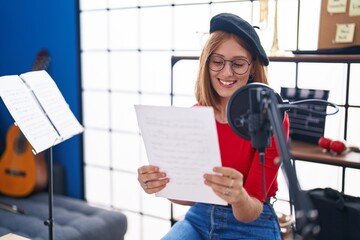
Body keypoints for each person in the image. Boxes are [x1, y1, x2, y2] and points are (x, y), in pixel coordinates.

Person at [137, 12, 289, 240]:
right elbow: (190, 196)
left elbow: (252, 209)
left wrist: (238, 197)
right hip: (200, 216)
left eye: (238, 64)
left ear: (251, 69)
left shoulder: (272, 116)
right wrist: (162, 184)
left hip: (252, 222)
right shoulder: (197, 115)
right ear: (206, 64)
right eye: (217, 62)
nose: (227, 73)